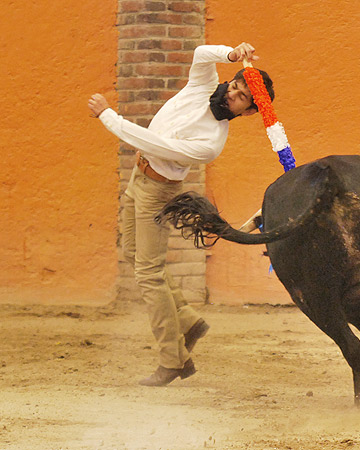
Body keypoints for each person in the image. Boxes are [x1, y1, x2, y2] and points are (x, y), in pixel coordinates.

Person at [87, 42, 275, 386]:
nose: (231, 93)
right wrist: (231, 55)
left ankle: (173, 360)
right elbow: (202, 53)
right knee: (132, 252)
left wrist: (107, 116)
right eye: (234, 85)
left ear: (249, 112)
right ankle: (188, 321)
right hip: (138, 176)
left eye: (241, 97)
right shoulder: (203, 86)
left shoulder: (211, 143)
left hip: (158, 192)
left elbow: (153, 144)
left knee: (148, 274)